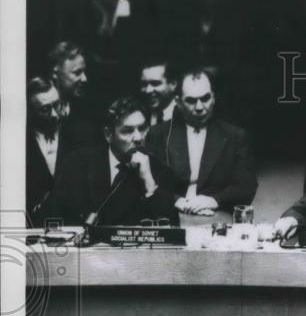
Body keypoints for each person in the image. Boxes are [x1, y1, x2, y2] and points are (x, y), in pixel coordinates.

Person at [146, 69, 257, 217]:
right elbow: (147, 180)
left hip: (216, 216)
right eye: (191, 101)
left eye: (205, 98)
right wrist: (174, 200)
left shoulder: (234, 136)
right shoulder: (158, 134)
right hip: (170, 215)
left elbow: (247, 185)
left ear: (214, 98)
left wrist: (214, 200)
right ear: (178, 102)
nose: (199, 107)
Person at [49, 97, 176, 226]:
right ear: (108, 134)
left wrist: (149, 183)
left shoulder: (160, 171)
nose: (138, 138)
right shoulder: (77, 164)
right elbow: (58, 215)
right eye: (127, 131)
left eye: (142, 128)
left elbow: (170, 226)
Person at [25, 77, 92, 226]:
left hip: (75, 227)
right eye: (45, 109)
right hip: (34, 228)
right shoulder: (20, 142)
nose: (55, 114)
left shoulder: (82, 135)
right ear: (30, 111)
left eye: (57, 105)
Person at [139, 58, 177, 126]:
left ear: (173, 84)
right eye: (144, 84)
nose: (148, 90)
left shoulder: (185, 115)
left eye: (155, 83)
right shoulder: (139, 116)